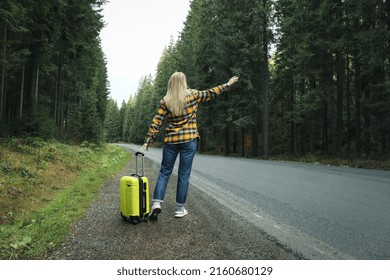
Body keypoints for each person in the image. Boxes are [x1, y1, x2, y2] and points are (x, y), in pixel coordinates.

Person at [140, 72, 238, 219]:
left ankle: (156, 204)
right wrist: (227, 85)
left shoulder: (166, 100)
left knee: (164, 172)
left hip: (171, 141)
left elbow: (157, 121)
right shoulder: (193, 95)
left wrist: (148, 141)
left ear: (171, 84)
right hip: (189, 140)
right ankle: (180, 209)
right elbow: (211, 93)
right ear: (184, 82)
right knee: (184, 174)